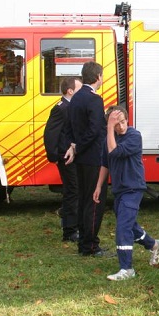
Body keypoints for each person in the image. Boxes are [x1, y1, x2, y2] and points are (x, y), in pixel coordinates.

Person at [93, 106, 159, 281]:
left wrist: (110, 127)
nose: (121, 127)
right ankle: (154, 245)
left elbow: (115, 152)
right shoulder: (109, 139)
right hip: (119, 189)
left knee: (123, 227)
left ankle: (127, 269)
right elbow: (105, 163)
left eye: (123, 122)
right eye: (117, 124)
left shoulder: (134, 136)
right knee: (129, 224)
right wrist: (99, 186)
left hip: (133, 188)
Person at [64, 61, 108, 257]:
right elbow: (95, 129)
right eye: (102, 75)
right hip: (93, 158)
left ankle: (84, 242)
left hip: (81, 158)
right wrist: (79, 146)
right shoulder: (94, 100)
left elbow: (69, 127)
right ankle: (90, 245)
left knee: (83, 200)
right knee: (95, 201)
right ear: (98, 77)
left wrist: (73, 146)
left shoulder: (75, 98)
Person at [43, 77, 83, 242]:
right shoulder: (61, 108)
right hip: (65, 157)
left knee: (74, 190)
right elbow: (51, 133)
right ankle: (70, 231)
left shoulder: (70, 107)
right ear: (70, 91)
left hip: (72, 156)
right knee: (72, 191)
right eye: (79, 89)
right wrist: (55, 155)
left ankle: (70, 222)